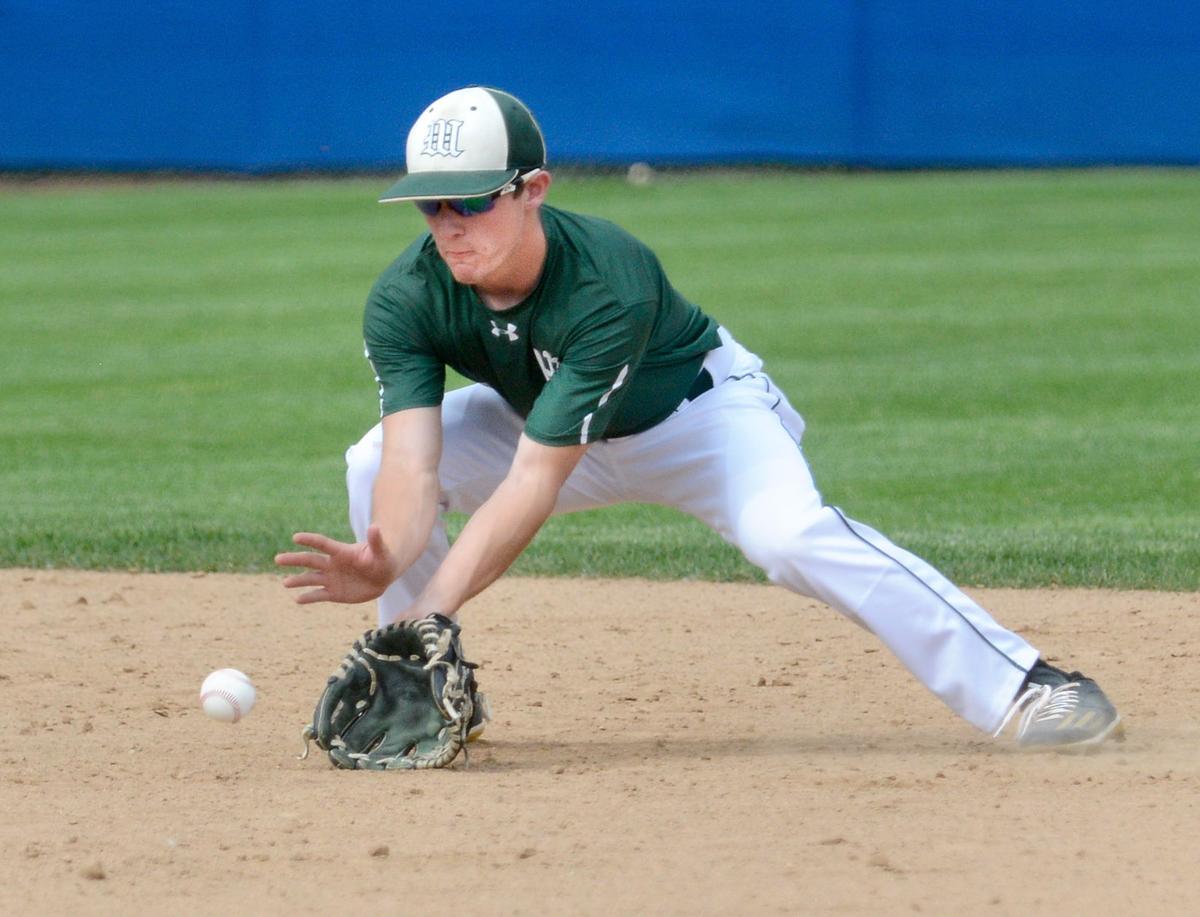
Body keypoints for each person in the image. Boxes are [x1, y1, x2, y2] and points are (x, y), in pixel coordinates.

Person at [275, 86, 1122, 751]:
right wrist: (387, 554)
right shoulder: (407, 295)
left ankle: (1027, 685)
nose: (449, 227)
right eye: (432, 207)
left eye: (471, 203)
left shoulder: (609, 277)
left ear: (533, 189)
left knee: (789, 537)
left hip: (700, 421)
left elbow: (535, 479)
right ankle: (410, 687)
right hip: (546, 422)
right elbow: (413, 465)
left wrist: (438, 607)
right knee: (368, 459)